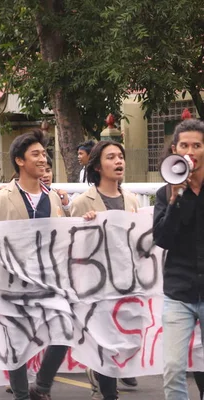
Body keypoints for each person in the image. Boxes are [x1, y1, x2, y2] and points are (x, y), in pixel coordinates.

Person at [0, 129, 66, 400]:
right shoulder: (1, 197)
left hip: (47, 278)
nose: (43, 159)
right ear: (19, 160)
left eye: (44, 154)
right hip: (11, 280)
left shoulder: (52, 198)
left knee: (64, 329)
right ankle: (21, 394)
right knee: (15, 342)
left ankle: (41, 385)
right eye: (36, 154)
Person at [70, 140, 139, 400]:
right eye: (111, 157)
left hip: (127, 282)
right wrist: (85, 226)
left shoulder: (131, 200)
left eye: (121, 156)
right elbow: (72, 245)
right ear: (98, 166)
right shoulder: (82, 203)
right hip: (96, 285)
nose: (118, 162)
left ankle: (99, 374)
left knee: (127, 340)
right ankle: (109, 392)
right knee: (106, 341)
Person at [153, 119, 204, 400]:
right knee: (173, 369)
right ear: (175, 149)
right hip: (179, 293)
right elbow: (162, 239)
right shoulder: (165, 193)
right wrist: (174, 199)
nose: (190, 151)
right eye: (184, 145)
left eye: (197, 145)